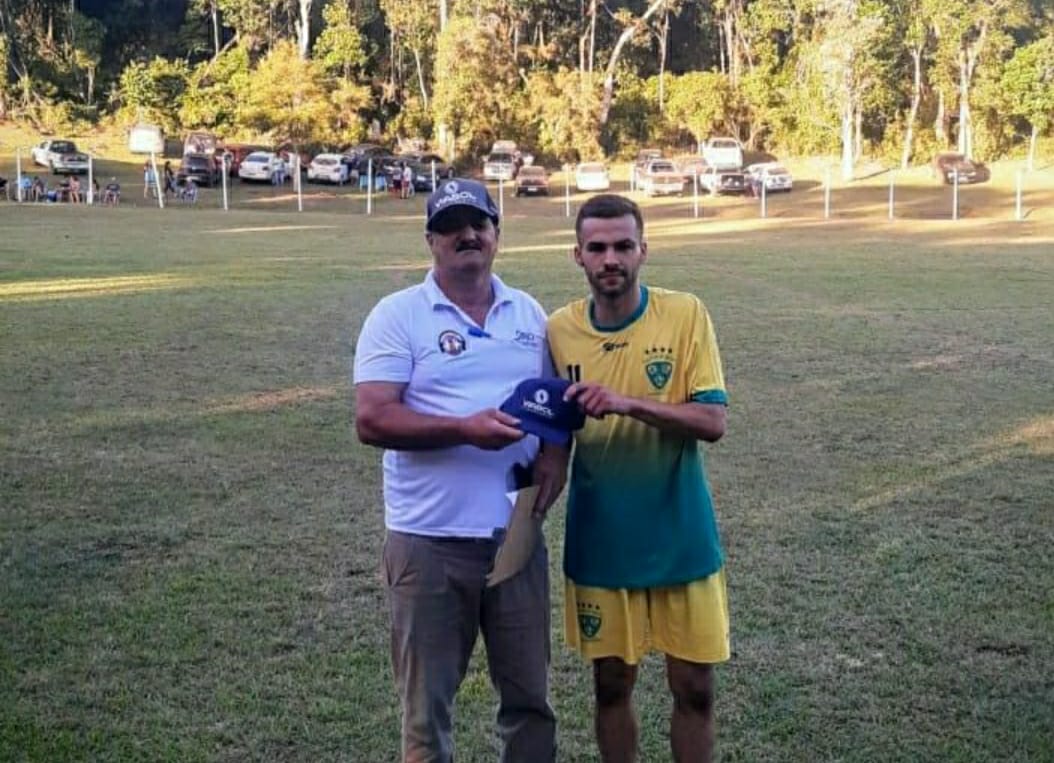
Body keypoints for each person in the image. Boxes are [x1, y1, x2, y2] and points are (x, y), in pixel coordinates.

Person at [353, 178, 562, 763]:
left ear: (497, 233)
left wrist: (551, 459)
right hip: (429, 545)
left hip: (515, 540)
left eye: (479, 224)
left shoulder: (529, 313)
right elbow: (372, 419)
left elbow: (550, 408)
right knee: (426, 716)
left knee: (530, 706)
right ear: (431, 241)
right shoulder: (397, 315)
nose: (468, 235)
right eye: (452, 227)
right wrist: (464, 429)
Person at [546, 194, 730, 763]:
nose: (611, 259)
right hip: (603, 543)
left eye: (623, 246)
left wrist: (628, 404)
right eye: (597, 247)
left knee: (695, 690)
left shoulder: (685, 314)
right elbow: (551, 436)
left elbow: (712, 421)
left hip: (681, 537)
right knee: (611, 687)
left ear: (643, 250)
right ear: (577, 255)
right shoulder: (557, 332)